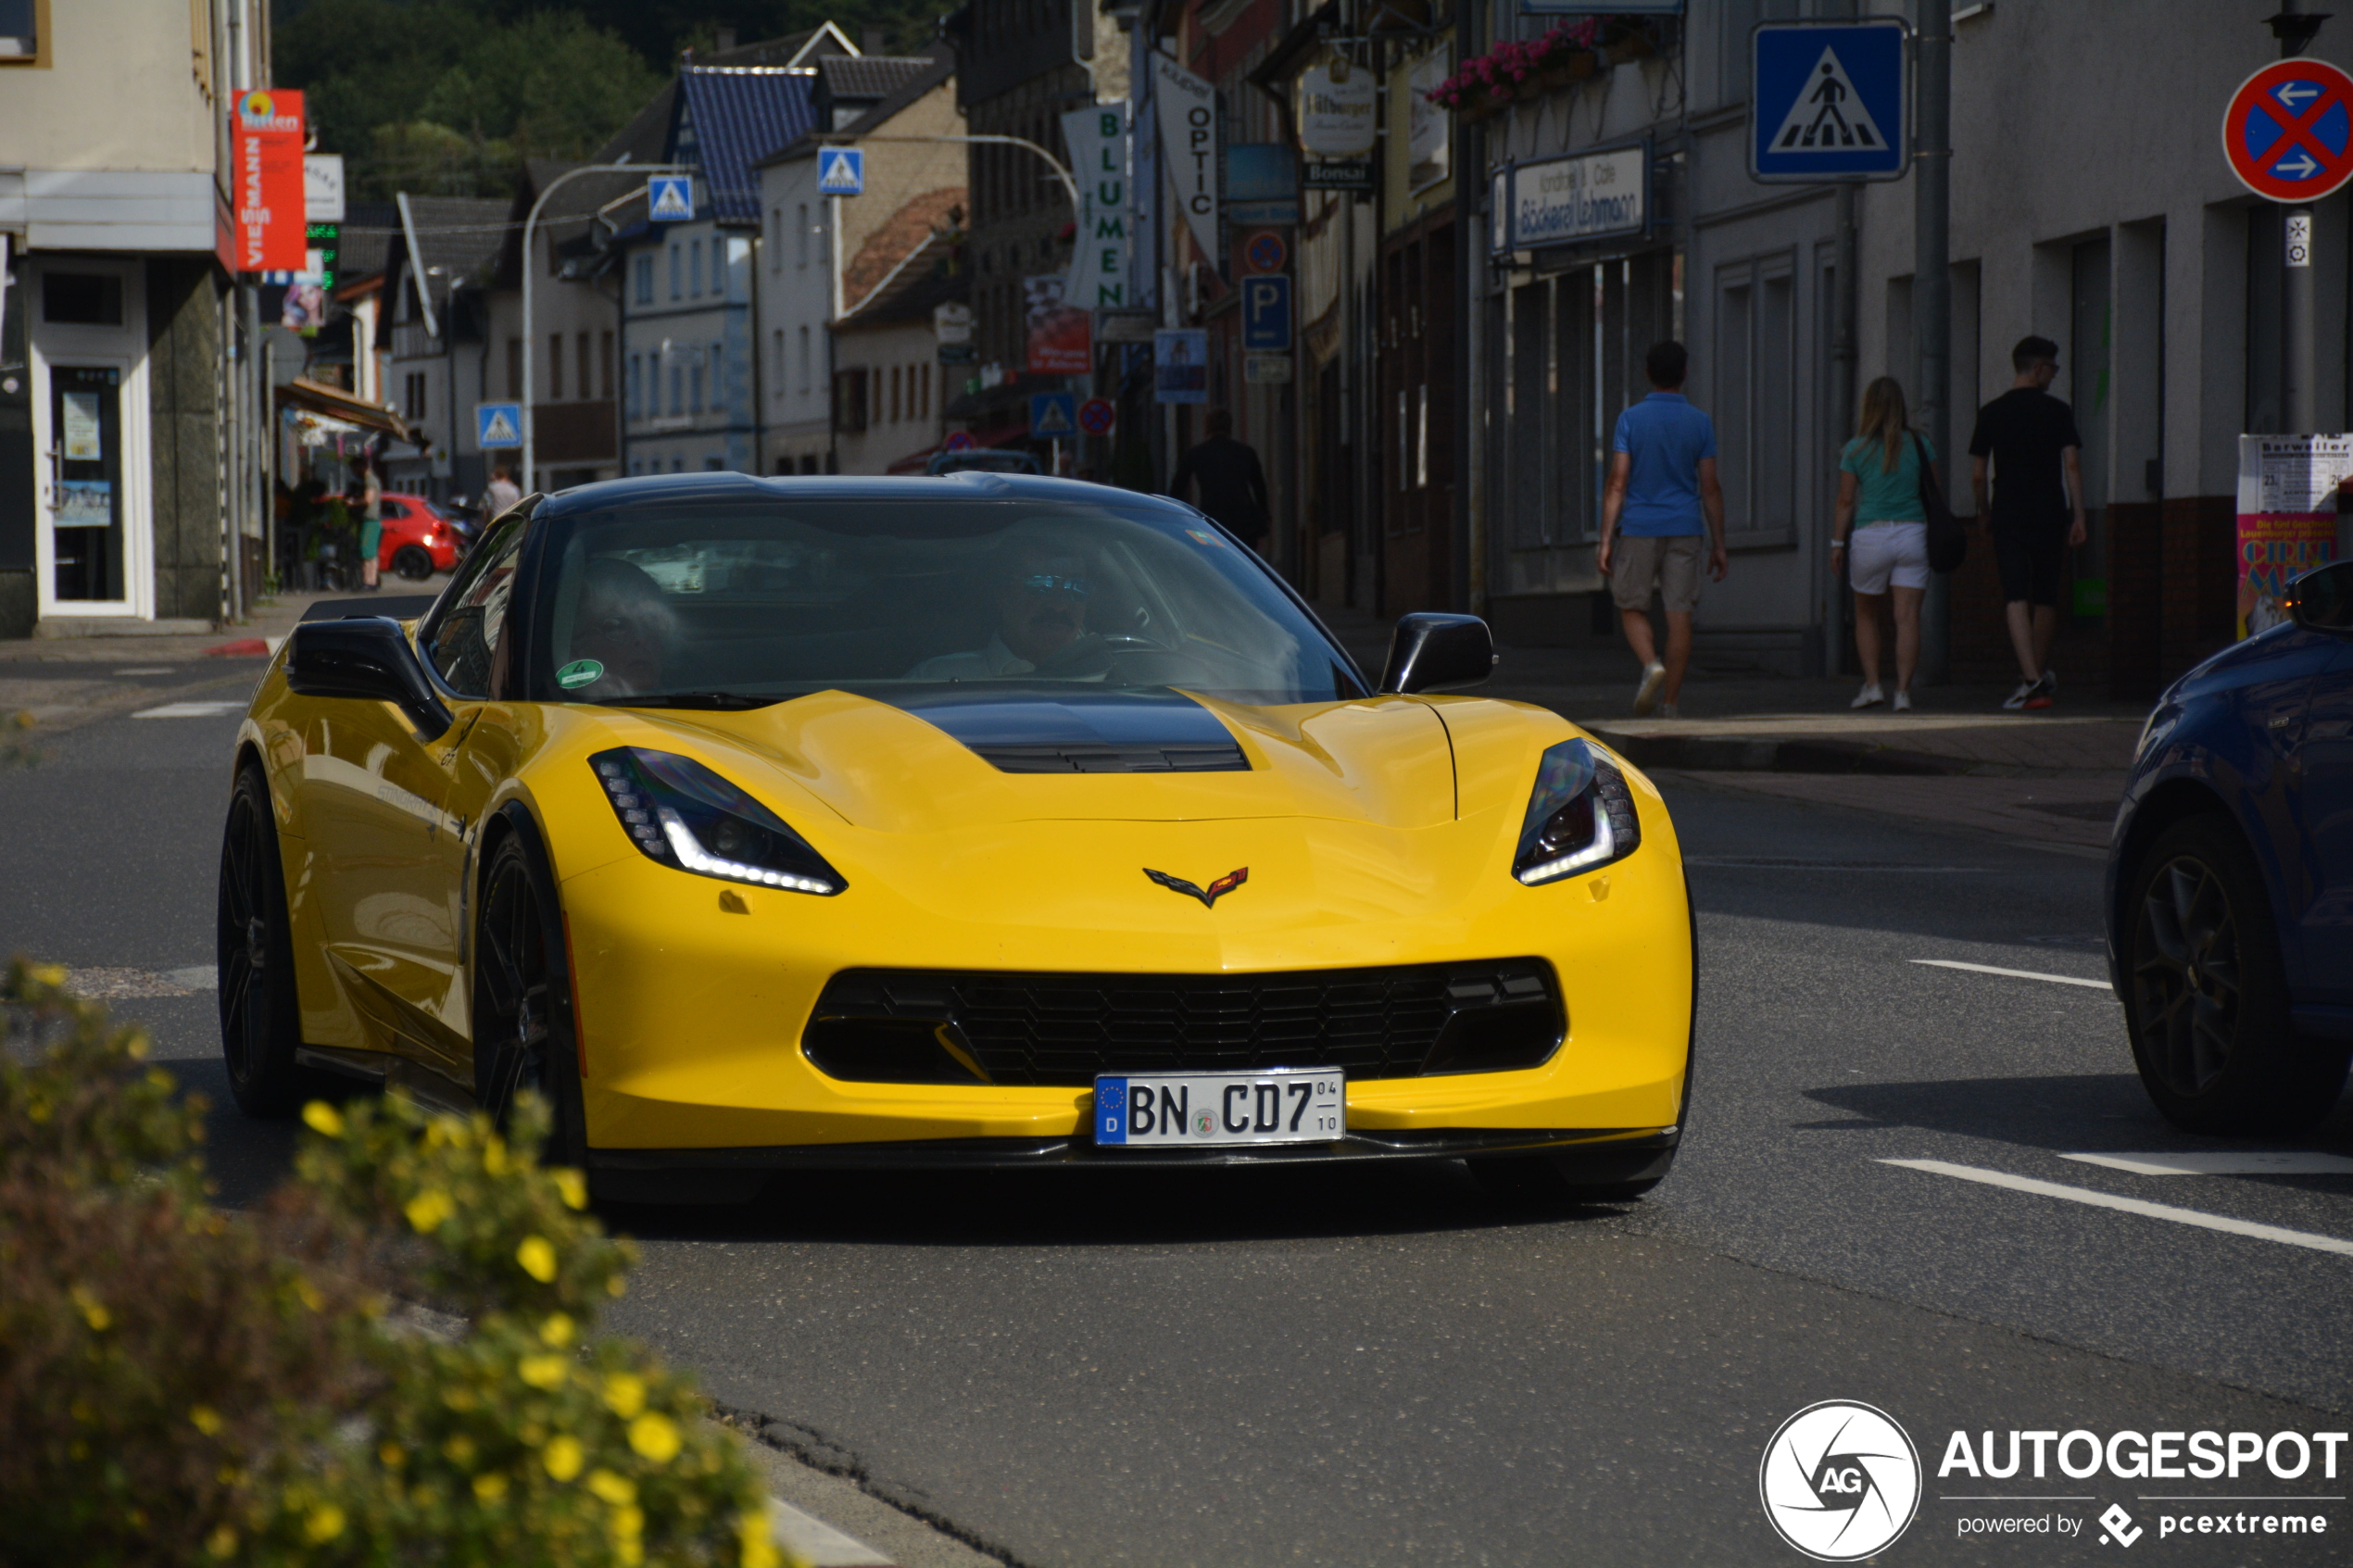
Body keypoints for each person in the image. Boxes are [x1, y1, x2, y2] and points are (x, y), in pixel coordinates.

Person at [1596, 341, 1730, 718]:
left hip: (1639, 527)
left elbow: (1617, 482)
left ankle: (1651, 665)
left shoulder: (1631, 420)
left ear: (1648, 374)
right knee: (1679, 614)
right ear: (1685, 373)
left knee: (1630, 604)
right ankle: (1670, 703)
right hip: (1686, 528)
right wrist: (1720, 544)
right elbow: (1710, 487)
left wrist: (1606, 539)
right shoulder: (1699, 422)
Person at [1969, 335, 2085, 710]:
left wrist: (1983, 512)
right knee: (2046, 595)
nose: (2054, 375)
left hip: (2009, 510)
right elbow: (2071, 465)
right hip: (2050, 509)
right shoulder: (2058, 411)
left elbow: (1977, 473)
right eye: (2053, 368)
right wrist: (2079, 515)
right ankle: (2032, 678)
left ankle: (2031, 678)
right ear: (2037, 368)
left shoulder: (1991, 412)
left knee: (2015, 593)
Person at [1832, 377, 1940, 711]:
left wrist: (1837, 542)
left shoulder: (1855, 449)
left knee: (1866, 615)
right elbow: (1935, 492)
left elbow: (1846, 501)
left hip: (1871, 536)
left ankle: (1874, 685)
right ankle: (1903, 693)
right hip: (1912, 535)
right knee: (1906, 617)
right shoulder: (1921, 445)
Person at [906, 543, 1101, 679]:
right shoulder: (938, 679)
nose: (1059, 605)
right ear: (1003, 594)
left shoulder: (1118, 673)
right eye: (1040, 585)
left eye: (1076, 587)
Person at [1168, 409, 1269, 554]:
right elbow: (1260, 489)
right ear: (1230, 427)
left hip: (1211, 519)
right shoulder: (1246, 452)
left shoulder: (1196, 454)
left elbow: (1177, 489)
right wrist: (1264, 517)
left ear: (1207, 427)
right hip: (1243, 522)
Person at [351, 453, 383, 592]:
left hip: (370, 520)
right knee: (371, 553)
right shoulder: (372, 480)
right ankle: (371, 581)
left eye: (354, 468)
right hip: (373, 520)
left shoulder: (370, 481)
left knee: (366, 552)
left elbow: (368, 499)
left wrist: (353, 502)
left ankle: (368, 581)